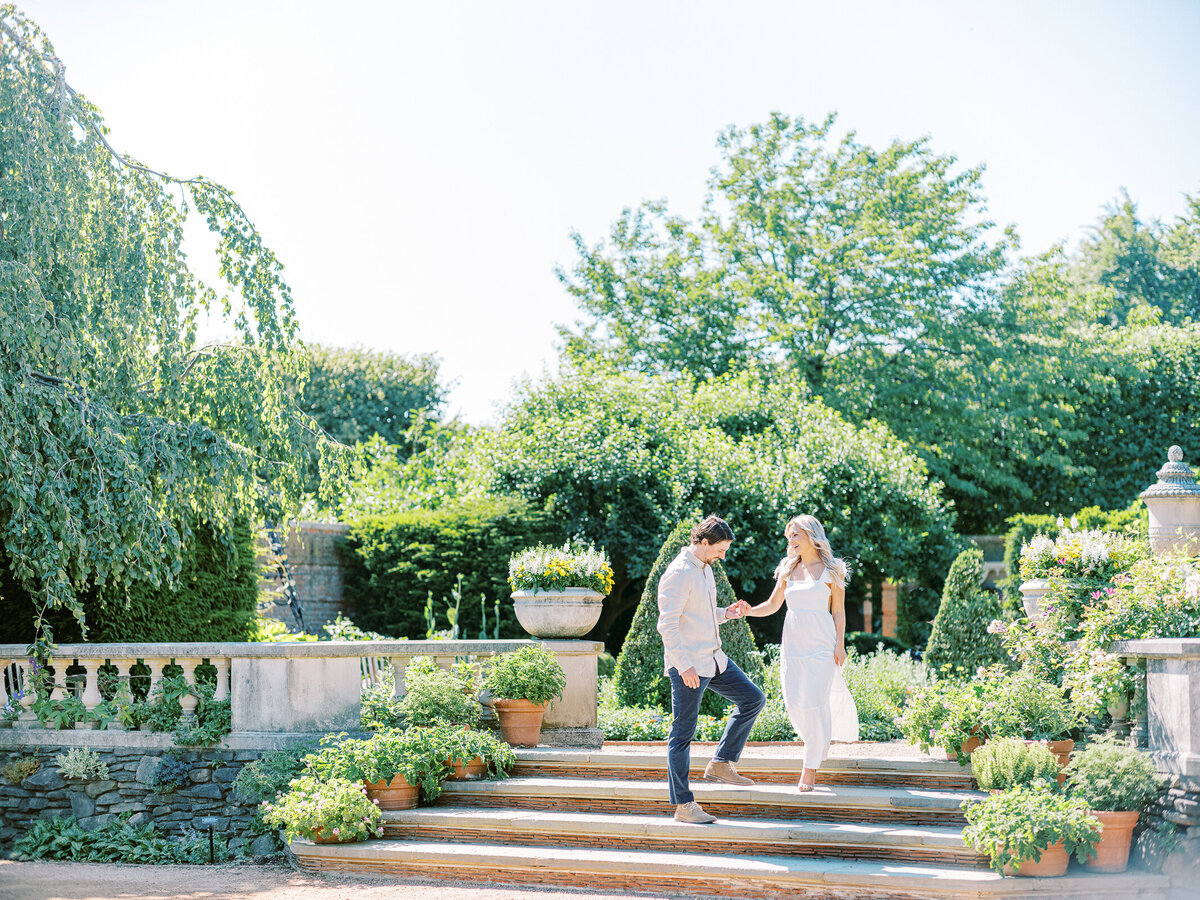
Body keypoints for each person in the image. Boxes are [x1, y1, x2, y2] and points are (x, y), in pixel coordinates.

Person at [657, 515, 765, 824]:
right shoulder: (679, 573)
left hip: (714, 660)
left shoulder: (704, 569)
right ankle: (683, 805)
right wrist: (683, 665)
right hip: (689, 666)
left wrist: (726, 613)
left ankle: (721, 762)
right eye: (720, 549)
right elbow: (667, 625)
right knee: (682, 735)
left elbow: (699, 615)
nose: (722, 556)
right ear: (704, 542)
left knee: (752, 698)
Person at [745, 514, 859, 791]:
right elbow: (773, 605)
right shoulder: (787, 569)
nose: (791, 540)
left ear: (811, 535)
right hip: (794, 645)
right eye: (789, 537)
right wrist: (747, 611)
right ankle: (817, 743)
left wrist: (839, 644)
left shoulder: (833, 571)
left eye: (795, 535)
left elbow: (839, 611)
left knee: (815, 702)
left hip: (822, 645)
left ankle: (808, 769)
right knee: (796, 703)